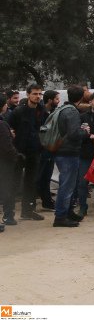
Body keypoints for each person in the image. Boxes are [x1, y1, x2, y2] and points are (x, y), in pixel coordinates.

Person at [6, 84, 48, 221]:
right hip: (18, 152)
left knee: (31, 182)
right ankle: (9, 213)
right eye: (35, 93)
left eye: (39, 94)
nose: (37, 96)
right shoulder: (18, 112)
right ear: (28, 94)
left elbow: (46, 128)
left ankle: (28, 210)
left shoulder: (42, 111)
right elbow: (8, 127)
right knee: (14, 181)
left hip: (35, 151)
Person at [52, 86, 91, 228]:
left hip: (62, 151)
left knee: (68, 184)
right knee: (66, 186)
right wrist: (85, 132)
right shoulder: (72, 112)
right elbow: (74, 134)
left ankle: (68, 211)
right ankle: (61, 216)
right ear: (81, 97)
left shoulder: (63, 109)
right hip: (68, 152)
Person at [76, 92, 94, 219]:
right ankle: (83, 207)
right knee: (83, 183)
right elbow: (77, 133)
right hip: (85, 154)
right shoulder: (82, 116)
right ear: (90, 102)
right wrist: (89, 135)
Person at [36, 89, 61, 211]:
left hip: (51, 148)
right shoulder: (41, 112)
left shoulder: (53, 112)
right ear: (50, 100)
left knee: (47, 175)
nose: (58, 101)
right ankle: (40, 201)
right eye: (56, 99)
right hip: (42, 148)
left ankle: (47, 201)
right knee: (41, 175)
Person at [0, 94, 20, 232]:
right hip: (4, 163)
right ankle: (8, 216)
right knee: (7, 190)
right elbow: (6, 146)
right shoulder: (2, 124)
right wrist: (17, 156)